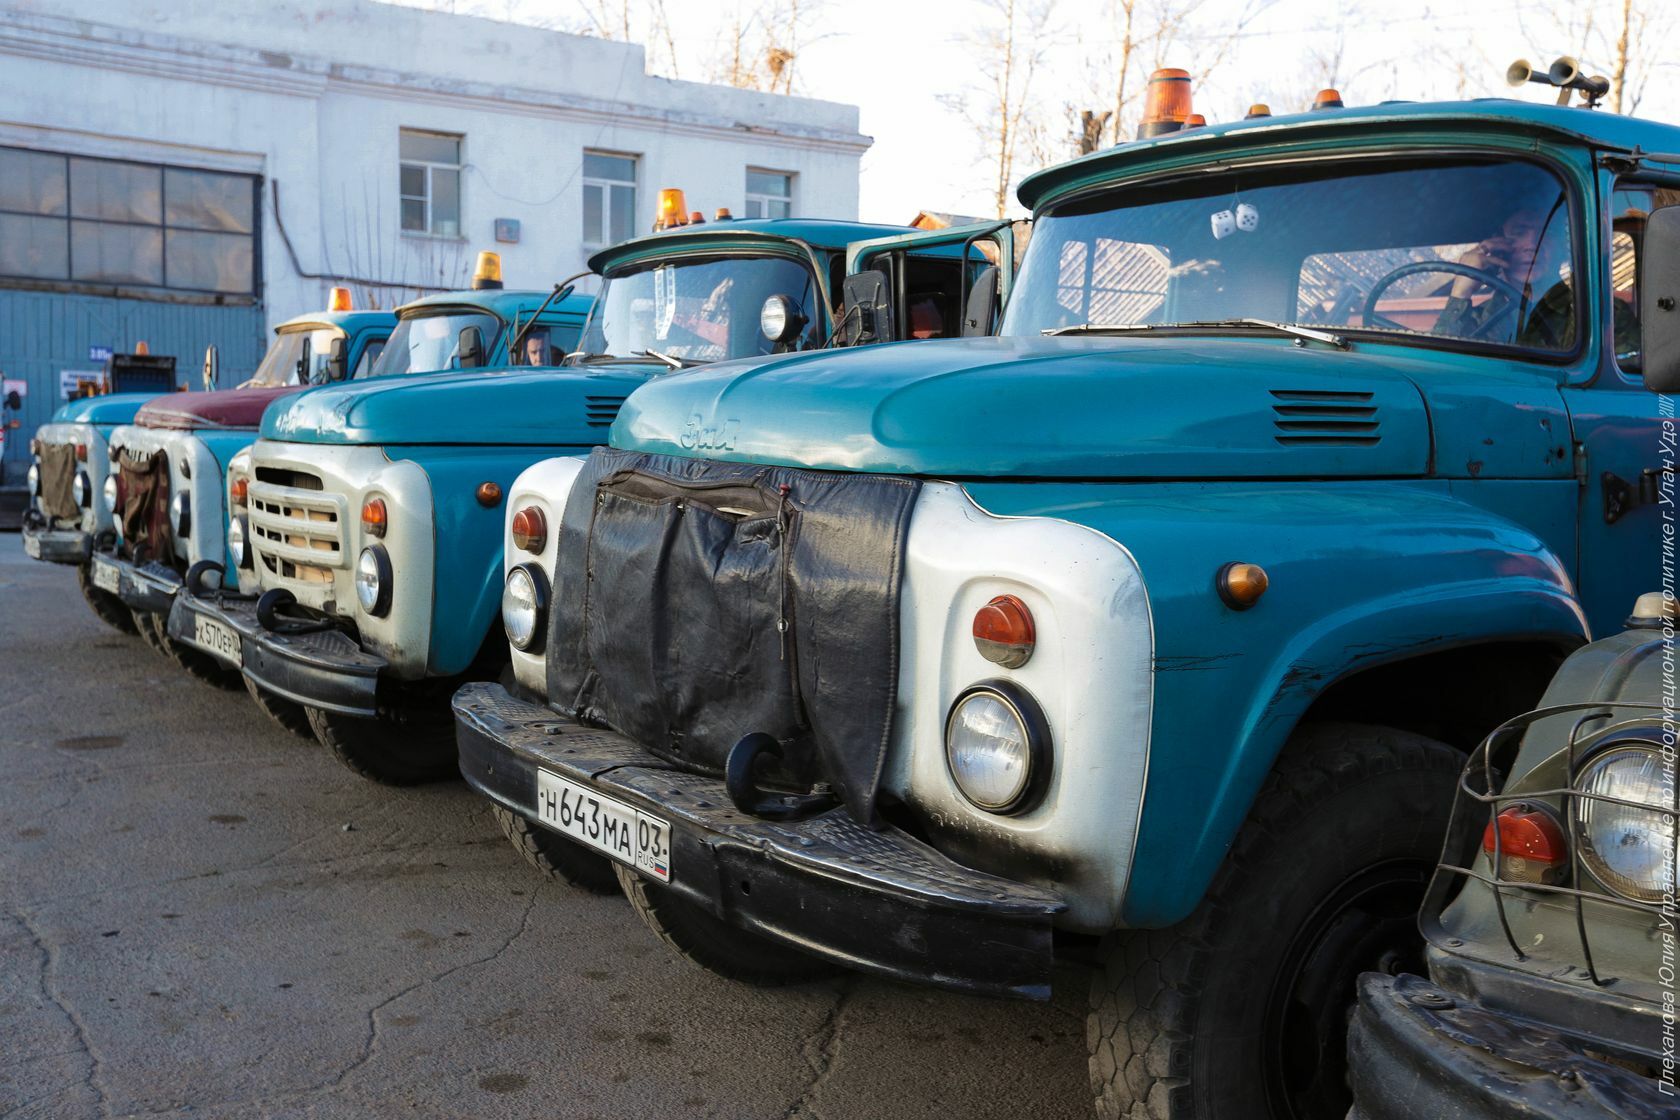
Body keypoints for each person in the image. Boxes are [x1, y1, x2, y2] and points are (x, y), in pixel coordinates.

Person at [1437, 208, 1573, 348]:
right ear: (1496, 246)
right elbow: (1441, 363)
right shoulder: (1475, 320)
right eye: (1519, 233)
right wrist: (1460, 293)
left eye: (1547, 233)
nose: (1532, 245)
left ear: (1562, 249)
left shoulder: (1585, 309)